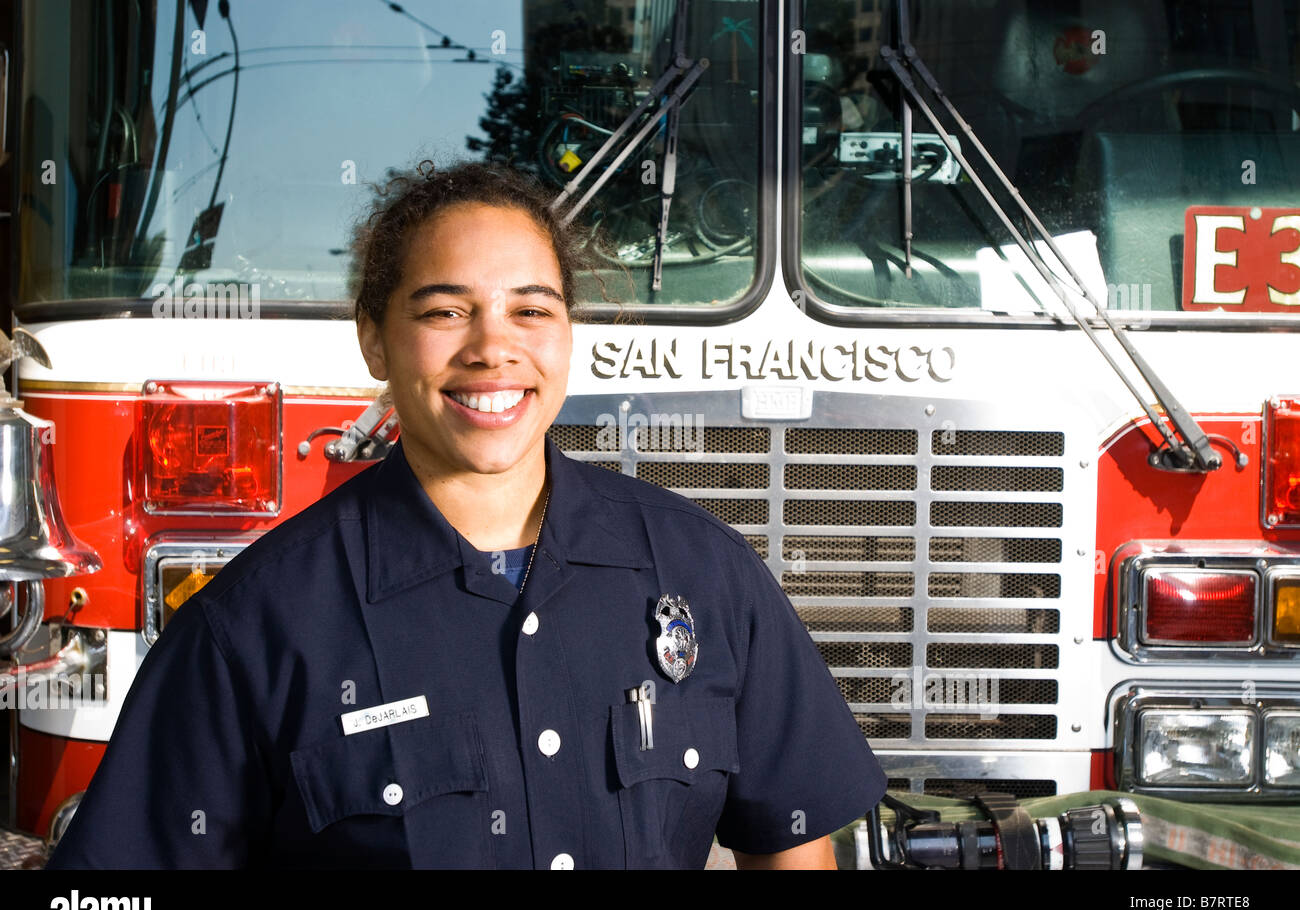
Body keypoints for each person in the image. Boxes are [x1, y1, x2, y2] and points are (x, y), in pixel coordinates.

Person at [46, 159, 886, 869]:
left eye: (531, 310)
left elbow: (795, 837)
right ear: (374, 339)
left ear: (567, 332)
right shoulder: (254, 627)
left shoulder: (706, 573)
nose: (493, 347)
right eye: (445, 312)